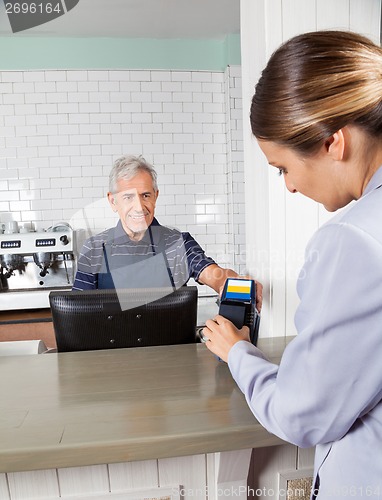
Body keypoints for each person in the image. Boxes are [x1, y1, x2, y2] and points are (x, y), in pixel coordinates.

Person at [203, 30, 382, 498]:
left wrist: (238, 353)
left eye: (282, 168)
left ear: (332, 142)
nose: (288, 186)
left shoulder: (354, 240)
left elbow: (301, 414)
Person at [73, 155, 262, 308]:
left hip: (171, 353)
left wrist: (235, 283)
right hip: (112, 353)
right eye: (128, 197)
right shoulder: (94, 249)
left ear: (155, 196)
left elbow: (213, 273)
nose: (139, 207)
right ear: (113, 201)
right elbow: (77, 312)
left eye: (145, 195)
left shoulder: (178, 243)